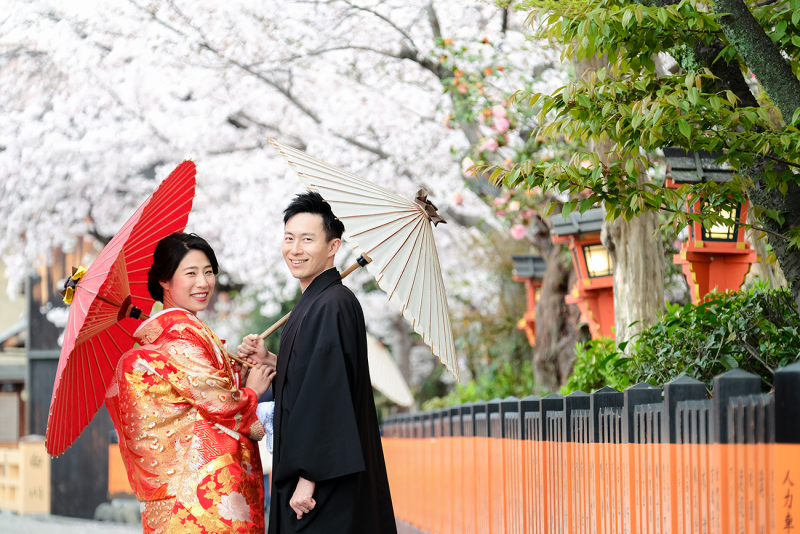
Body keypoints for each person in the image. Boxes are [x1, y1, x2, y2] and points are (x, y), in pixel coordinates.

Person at [238, 191, 397, 534]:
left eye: (307, 239)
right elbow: (308, 375)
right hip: (311, 475)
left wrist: (308, 479)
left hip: (319, 482)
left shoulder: (332, 304)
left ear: (333, 246)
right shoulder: (317, 302)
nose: (295, 249)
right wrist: (270, 361)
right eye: (289, 238)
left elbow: (327, 393)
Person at [105, 232, 275, 534]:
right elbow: (220, 404)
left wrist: (235, 374)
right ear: (164, 280)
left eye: (209, 272)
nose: (203, 283)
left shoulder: (171, 332)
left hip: (181, 494)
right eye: (191, 273)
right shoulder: (178, 334)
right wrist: (252, 391)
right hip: (199, 494)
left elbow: (195, 398)